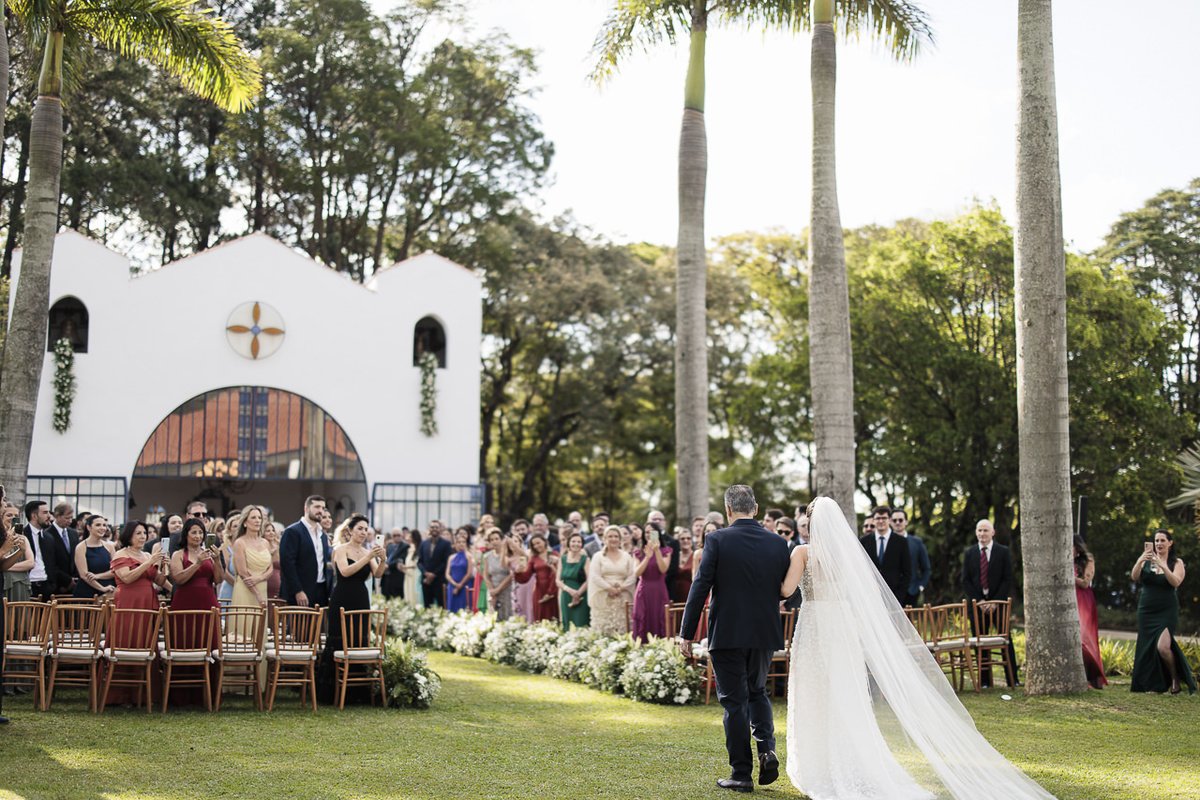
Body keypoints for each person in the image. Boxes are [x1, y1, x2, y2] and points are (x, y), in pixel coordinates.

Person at [780, 497, 1058, 800]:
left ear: (810, 523)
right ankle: (850, 760)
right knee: (847, 696)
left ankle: (819, 766)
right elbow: (865, 592)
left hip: (815, 626)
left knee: (815, 695)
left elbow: (786, 590)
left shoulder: (803, 552)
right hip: (842, 628)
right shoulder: (847, 556)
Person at [677, 485, 790, 793]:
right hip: (765, 632)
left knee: (734, 702)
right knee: (757, 692)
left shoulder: (716, 539)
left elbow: (700, 586)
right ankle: (767, 749)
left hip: (727, 632)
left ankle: (741, 773)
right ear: (755, 509)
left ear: (728, 510)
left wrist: (686, 633)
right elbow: (783, 588)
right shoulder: (780, 544)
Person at [317, 513, 386, 704]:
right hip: (342, 598)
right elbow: (345, 572)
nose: (364, 533)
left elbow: (377, 574)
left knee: (358, 640)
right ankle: (334, 692)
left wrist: (383, 559)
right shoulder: (340, 550)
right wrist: (368, 557)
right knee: (339, 641)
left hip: (361, 599)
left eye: (366, 529)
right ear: (350, 531)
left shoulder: (367, 552)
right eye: (360, 529)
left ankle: (357, 693)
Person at [107, 520, 171, 705]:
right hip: (128, 601)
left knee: (145, 643)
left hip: (147, 602)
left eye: (145, 533)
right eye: (138, 533)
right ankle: (122, 695)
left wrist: (164, 567)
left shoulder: (145, 554)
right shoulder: (121, 553)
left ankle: (145, 694)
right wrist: (150, 562)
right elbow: (126, 577)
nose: (143, 537)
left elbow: (157, 579)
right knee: (127, 642)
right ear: (128, 535)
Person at [1130, 529, 1196, 695]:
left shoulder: (1177, 562)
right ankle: (1153, 685)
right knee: (1147, 646)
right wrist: (1140, 560)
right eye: (1156, 541)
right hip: (1146, 609)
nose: (1159, 544)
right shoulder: (1147, 560)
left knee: (1163, 647)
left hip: (1166, 609)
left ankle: (1175, 678)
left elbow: (1175, 582)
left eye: (1162, 540)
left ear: (1170, 543)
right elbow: (1134, 577)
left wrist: (1162, 566)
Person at [168, 518, 223, 705]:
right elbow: (178, 578)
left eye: (201, 533)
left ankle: (207, 694)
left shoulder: (208, 552)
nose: (198, 536)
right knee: (184, 643)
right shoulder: (178, 554)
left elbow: (219, 578)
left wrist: (216, 561)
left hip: (207, 600)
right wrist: (198, 563)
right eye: (194, 532)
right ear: (186, 534)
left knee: (207, 642)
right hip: (184, 600)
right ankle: (181, 695)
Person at [961, 518, 1019, 687]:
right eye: (979, 531)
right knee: (981, 642)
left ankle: (1012, 679)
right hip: (977, 606)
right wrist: (980, 601)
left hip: (998, 605)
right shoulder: (970, 553)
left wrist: (994, 602)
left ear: (992, 533)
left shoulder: (1003, 551)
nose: (982, 534)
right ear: (976, 533)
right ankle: (985, 681)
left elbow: (1007, 579)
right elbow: (966, 580)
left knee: (1005, 640)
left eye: (985, 531)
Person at [279, 496, 332, 607]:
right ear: (306, 509)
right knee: (299, 624)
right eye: (317, 507)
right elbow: (287, 564)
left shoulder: (323, 536)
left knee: (319, 625)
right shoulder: (292, 531)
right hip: (300, 592)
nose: (320, 511)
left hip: (321, 590)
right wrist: (298, 590)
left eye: (323, 508)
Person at [1072, 535, 1107, 689]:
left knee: (1084, 639)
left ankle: (1092, 678)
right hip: (1067, 599)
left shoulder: (1088, 560)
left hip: (1083, 599)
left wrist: (1068, 575)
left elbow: (1085, 583)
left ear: (1077, 547)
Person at [588, 526, 636, 635]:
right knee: (604, 628)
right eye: (610, 536)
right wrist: (609, 588)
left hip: (622, 596)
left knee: (623, 627)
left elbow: (632, 575)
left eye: (616, 536)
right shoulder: (598, 556)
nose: (613, 539)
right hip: (604, 596)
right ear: (604, 538)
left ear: (620, 539)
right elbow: (595, 576)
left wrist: (620, 588)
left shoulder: (627, 556)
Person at [859, 505, 911, 605]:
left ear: (890, 520)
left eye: (884, 518)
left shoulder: (901, 542)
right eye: (878, 518)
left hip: (894, 596)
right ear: (873, 520)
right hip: (870, 596)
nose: (881, 521)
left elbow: (907, 572)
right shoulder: (864, 541)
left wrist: (898, 597)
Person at [631, 524, 671, 642]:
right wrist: (647, 557)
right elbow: (637, 573)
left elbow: (663, 569)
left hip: (659, 590)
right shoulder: (638, 552)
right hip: (644, 590)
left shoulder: (666, 551)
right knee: (644, 619)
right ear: (644, 535)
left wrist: (657, 550)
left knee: (660, 617)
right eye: (647, 532)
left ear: (658, 534)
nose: (649, 534)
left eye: (652, 532)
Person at [232, 506, 273, 608]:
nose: (257, 521)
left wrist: (259, 578)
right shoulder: (240, 542)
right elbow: (242, 572)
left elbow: (270, 568)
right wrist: (257, 594)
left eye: (259, 518)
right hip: (246, 589)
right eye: (253, 518)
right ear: (245, 522)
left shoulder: (265, 542)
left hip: (262, 586)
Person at [513, 533, 559, 622]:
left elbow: (556, 574)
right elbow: (526, 576)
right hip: (539, 591)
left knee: (554, 616)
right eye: (533, 544)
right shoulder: (533, 559)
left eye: (538, 543)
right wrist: (517, 572)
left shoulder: (554, 554)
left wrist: (550, 592)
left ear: (545, 542)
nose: (536, 546)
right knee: (540, 617)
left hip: (553, 590)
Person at [72, 514, 116, 599]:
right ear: (89, 528)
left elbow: (115, 570)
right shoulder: (81, 547)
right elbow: (84, 575)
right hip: (86, 593)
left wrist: (98, 576)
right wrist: (101, 588)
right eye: (98, 525)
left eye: (104, 525)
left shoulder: (110, 547)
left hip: (107, 592)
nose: (102, 528)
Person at [893, 508, 931, 607]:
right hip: (891, 592)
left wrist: (921, 586)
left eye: (900, 520)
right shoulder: (886, 543)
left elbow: (926, 567)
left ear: (906, 522)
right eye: (894, 520)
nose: (897, 523)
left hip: (912, 590)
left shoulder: (917, 542)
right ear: (890, 522)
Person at [557, 529, 590, 630]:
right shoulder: (562, 559)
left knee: (581, 623)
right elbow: (557, 580)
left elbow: (589, 579)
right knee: (568, 624)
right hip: (566, 595)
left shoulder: (585, 559)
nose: (576, 544)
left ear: (582, 544)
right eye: (573, 541)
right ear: (569, 543)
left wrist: (578, 593)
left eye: (579, 542)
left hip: (582, 595)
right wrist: (570, 591)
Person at [417, 519, 452, 608]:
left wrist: (434, 574)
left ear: (440, 528)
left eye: (436, 527)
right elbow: (420, 562)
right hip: (426, 581)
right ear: (429, 528)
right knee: (427, 607)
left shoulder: (446, 544)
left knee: (442, 606)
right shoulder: (423, 544)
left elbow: (446, 562)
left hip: (439, 580)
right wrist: (426, 573)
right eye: (432, 527)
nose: (434, 529)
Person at [481, 528, 514, 620]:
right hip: (492, 590)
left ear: (502, 540)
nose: (494, 542)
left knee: (507, 615)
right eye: (492, 540)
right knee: (493, 616)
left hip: (506, 589)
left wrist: (498, 589)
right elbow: (486, 576)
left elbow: (510, 575)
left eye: (496, 539)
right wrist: (492, 591)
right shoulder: (487, 556)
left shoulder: (508, 555)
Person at [445, 530, 475, 612]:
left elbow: (469, 573)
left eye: (463, 542)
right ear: (455, 544)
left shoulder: (469, 556)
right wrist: (454, 584)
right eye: (459, 542)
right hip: (452, 585)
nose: (461, 544)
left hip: (464, 585)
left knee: (464, 607)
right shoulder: (451, 557)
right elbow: (447, 574)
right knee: (452, 608)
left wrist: (460, 585)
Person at [381, 528, 408, 600]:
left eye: (398, 535)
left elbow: (400, 559)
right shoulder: (389, 546)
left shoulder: (405, 546)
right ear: (391, 536)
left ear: (402, 536)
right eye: (394, 535)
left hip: (396, 577)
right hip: (386, 576)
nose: (396, 537)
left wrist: (388, 566)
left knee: (397, 599)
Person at [402, 529, 423, 606]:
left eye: (411, 537)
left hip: (415, 573)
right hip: (408, 573)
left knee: (414, 591)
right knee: (408, 590)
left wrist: (406, 566)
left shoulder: (419, 548)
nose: (409, 539)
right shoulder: (409, 548)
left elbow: (416, 563)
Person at [262, 520, 282, 600]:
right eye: (268, 531)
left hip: (277, 587)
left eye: (273, 530)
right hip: (263, 585)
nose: (271, 533)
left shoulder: (279, 546)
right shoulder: (260, 548)